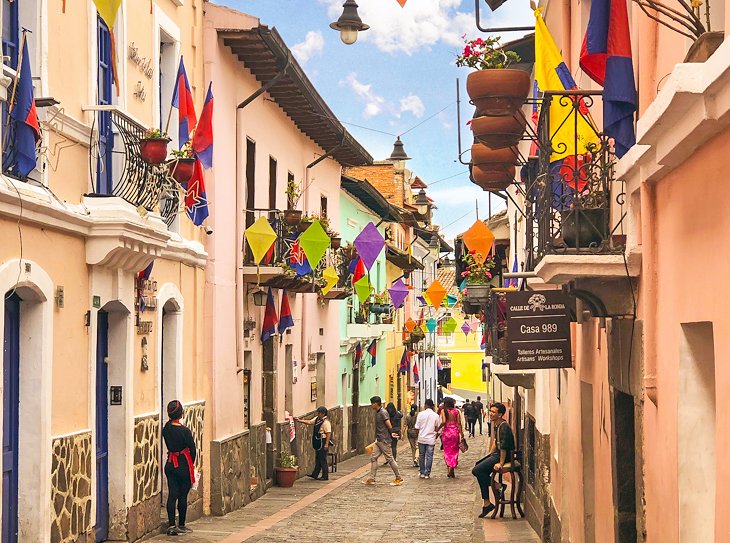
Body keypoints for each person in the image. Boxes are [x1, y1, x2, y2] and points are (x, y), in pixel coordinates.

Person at [472, 402, 516, 518]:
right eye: (490, 411)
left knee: (477, 470)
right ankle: (487, 503)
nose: (490, 414)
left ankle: (498, 486)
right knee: (479, 466)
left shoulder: (504, 426)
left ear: (500, 414)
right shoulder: (497, 425)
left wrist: (501, 463)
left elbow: (503, 447)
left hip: (503, 456)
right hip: (496, 454)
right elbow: (496, 444)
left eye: (493, 412)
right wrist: (488, 456)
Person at [162, 400, 197, 536]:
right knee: (182, 495)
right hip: (183, 465)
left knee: (172, 495)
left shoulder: (166, 428)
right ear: (181, 413)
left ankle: (171, 525)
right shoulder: (185, 431)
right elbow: (192, 450)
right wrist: (191, 464)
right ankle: (181, 525)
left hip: (170, 465)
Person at [364, 396, 403, 485]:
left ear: (375, 403)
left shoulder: (383, 412)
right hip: (379, 439)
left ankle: (398, 477)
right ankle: (372, 478)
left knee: (390, 459)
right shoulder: (378, 412)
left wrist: (391, 433)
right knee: (373, 458)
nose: (371, 405)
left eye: (372, 403)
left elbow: (388, 424)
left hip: (384, 440)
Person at [295, 406, 332, 481]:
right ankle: (315, 474)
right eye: (318, 413)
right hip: (317, 440)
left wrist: (326, 444)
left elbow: (328, 433)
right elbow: (309, 422)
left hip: (323, 440)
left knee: (322, 458)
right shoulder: (317, 419)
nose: (318, 414)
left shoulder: (326, 422)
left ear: (323, 414)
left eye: (319, 413)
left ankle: (325, 476)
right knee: (318, 458)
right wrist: (300, 420)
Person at [437, 396, 465, 478]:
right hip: (455, 432)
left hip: (446, 433)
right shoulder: (456, 411)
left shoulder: (443, 411)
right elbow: (459, 423)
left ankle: (449, 468)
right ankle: (452, 467)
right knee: (455, 451)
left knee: (447, 451)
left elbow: (444, 421)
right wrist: (462, 434)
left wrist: (438, 428)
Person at [414, 399, 440, 478]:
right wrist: (435, 437)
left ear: (425, 405)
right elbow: (438, 428)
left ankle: (422, 472)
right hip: (431, 439)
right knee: (429, 456)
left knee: (421, 455)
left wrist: (418, 436)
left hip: (421, 438)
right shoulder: (435, 415)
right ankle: (427, 473)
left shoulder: (420, 414)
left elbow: (417, 427)